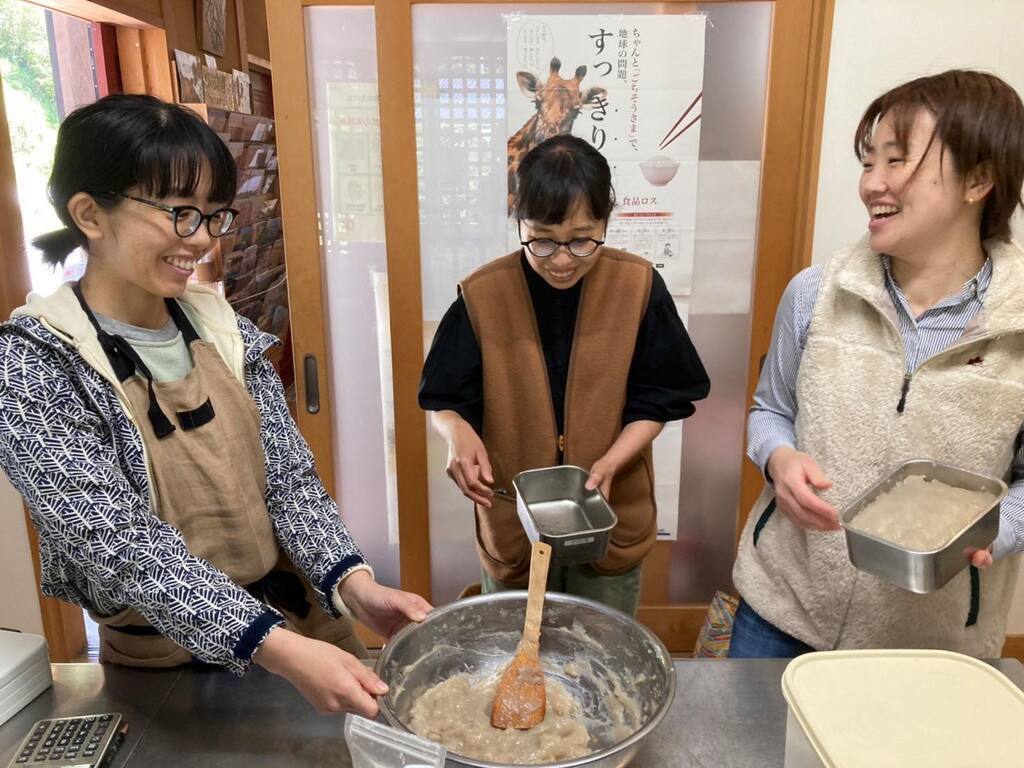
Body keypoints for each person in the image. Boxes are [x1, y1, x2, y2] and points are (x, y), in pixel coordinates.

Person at [0, 94, 432, 717]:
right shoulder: (36, 361)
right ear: (90, 214)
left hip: (301, 629)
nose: (201, 240)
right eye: (180, 214)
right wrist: (271, 646)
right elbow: (117, 542)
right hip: (169, 670)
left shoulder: (220, 327)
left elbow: (287, 479)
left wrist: (353, 586)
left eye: (212, 215)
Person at [731, 70, 1024, 658]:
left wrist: (995, 531)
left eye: (898, 160)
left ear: (979, 179)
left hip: (935, 642)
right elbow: (770, 411)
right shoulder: (815, 293)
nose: (872, 184)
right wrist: (779, 459)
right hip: (783, 610)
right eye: (869, 163)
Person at [419, 135, 710, 615]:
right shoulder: (483, 295)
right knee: (513, 657)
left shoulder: (636, 286)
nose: (560, 260)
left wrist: (614, 461)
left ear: (605, 221)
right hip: (516, 523)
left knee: (601, 657)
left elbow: (660, 398)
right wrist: (455, 433)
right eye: (542, 239)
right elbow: (445, 398)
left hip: (610, 516)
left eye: (581, 239)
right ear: (520, 223)